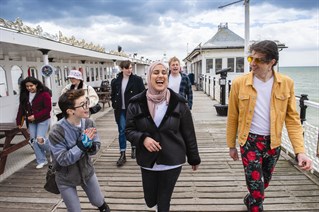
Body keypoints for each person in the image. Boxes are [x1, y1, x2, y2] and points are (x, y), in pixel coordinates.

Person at [226, 40, 313, 211]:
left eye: (258, 60)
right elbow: (232, 117)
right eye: (251, 59)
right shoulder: (239, 83)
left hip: (273, 143)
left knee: (261, 184)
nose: (253, 64)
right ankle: (255, 203)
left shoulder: (286, 83)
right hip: (249, 142)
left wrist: (300, 151)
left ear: (272, 62)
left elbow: (293, 119)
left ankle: (250, 199)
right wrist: (231, 146)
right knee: (258, 192)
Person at [125, 61, 201, 211]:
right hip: (148, 159)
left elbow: (189, 133)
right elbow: (128, 130)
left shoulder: (179, 103)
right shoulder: (136, 103)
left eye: (163, 73)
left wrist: (194, 157)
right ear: (149, 76)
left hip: (172, 158)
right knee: (150, 200)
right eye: (156, 72)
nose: (160, 76)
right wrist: (143, 139)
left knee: (164, 201)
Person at [48, 89, 110, 212]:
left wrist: (91, 146)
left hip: (86, 171)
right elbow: (63, 159)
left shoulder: (89, 122)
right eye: (83, 105)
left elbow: (96, 145)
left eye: (86, 102)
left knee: (97, 201)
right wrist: (82, 145)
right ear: (70, 111)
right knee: (75, 210)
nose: (88, 107)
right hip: (65, 177)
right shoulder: (56, 131)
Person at [111, 60, 145, 166]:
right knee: (122, 131)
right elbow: (113, 95)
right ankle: (122, 154)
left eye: (130, 68)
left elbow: (143, 94)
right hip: (120, 109)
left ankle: (134, 148)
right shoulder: (115, 81)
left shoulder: (137, 80)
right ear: (122, 69)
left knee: (134, 129)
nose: (129, 70)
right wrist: (114, 104)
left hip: (133, 109)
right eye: (127, 68)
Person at [16, 76, 52, 169]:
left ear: (36, 84)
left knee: (40, 139)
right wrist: (18, 121)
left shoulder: (44, 94)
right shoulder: (25, 95)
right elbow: (21, 109)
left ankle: (52, 151)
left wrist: (35, 116)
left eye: (31, 86)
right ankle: (41, 160)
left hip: (43, 120)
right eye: (27, 86)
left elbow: (48, 109)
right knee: (33, 141)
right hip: (31, 122)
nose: (29, 88)